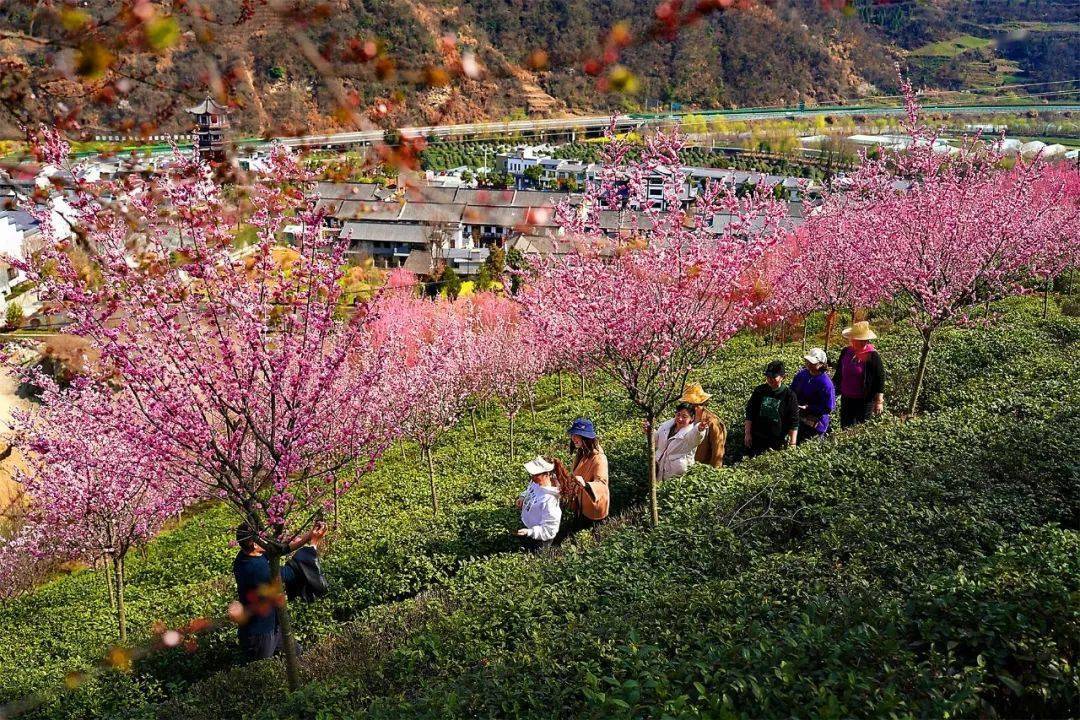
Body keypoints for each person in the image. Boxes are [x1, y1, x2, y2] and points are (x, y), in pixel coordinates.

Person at [233, 520, 326, 662]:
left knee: (296, 653)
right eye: (263, 536)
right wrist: (313, 545)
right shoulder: (257, 570)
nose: (267, 538)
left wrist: (309, 536)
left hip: (273, 623)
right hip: (260, 633)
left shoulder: (246, 555)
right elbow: (291, 573)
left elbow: (280, 549)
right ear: (255, 544)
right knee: (262, 670)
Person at [832, 321, 885, 428]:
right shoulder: (846, 352)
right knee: (845, 427)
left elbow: (880, 378)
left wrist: (879, 401)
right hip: (846, 398)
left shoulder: (872, 355)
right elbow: (839, 373)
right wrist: (833, 391)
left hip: (864, 400)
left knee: (861, 427)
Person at [744, 360, 799, 457]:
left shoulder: (789, 396)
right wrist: (747, 434)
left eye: (774, 377)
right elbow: (750, 412)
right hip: (757, 438)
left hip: (777, 441)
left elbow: (794, 421)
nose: (770, 379)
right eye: (768, 376)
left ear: (783, 377)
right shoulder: (760, 390)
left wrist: (792, 443)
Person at [567, 418, 610, 530]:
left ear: (586, 437)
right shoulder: (582, 452)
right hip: (582, 503)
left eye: (577, 435)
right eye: (573, 435)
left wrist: (586, 484)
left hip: (594, 507)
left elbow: (602, 483)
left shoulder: (599, 458)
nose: (573, 438)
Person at [514, 456, 562, 552]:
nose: (532, 477)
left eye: (536, 475)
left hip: (540, 539)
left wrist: (530, 532)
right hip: (528, 529)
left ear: (547, 474)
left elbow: (549, 530)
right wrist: (523, 497)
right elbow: (530, 490)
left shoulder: (550, 500)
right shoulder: (536, 481)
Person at [653, 403, 709, 482]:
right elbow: (657, 441)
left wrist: (699, 429)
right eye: (678, 415)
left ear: (692, 418)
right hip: (659, 468)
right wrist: (650, 431)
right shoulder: (666, 427)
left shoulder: (689, 433)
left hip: (676, 473)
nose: (680, 419)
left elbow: (695, 438)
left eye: (684, 417)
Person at [790, 347, 836, 443]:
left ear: (821, 364)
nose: (809, 364)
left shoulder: (826, 383)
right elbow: (792, 391)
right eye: (808, 361)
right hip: (799, 418)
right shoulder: (802, 375)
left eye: (813, 362)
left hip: (816, 423)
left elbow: (828, 407)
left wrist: (809, 407)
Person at [679, 383, 727, 467]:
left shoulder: (712, 422)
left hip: (700, 469)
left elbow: (717, 452)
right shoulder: (683, 419)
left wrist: (713, 474)